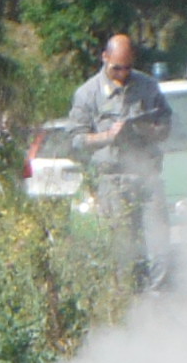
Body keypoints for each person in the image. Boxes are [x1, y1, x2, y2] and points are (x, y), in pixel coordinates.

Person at [66, 33, 172, 288]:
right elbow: (76, 139)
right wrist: (106, 136)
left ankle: (157, 304)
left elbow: (166, 125)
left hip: (147, 177)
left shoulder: (148, 87)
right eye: (116, 68)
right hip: (112, 181)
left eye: (127, 67)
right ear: (105, 58)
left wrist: (147, 129)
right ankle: (127, 307)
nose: (122, 73)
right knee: (122, 252)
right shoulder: (87, 94)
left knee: (160, 250)